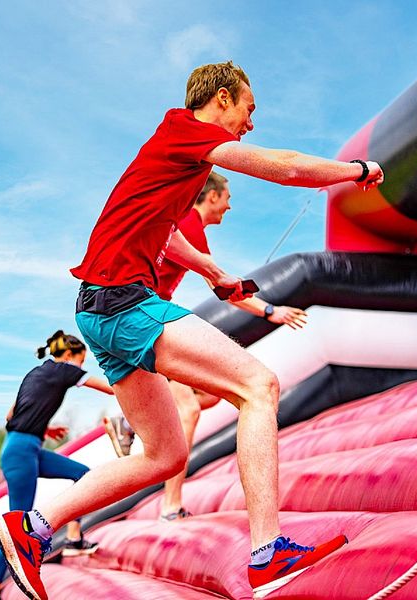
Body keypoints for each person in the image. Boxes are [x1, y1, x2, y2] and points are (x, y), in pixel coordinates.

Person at [0, 61, 384, 600]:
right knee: (259, 387)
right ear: (222, 98)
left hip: (99, 309)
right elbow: (285, 167)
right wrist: (358, 170)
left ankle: (31, 528)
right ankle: (268, 552)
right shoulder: (187, 131)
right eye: (249, 109)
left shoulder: (178, 155)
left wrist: (213, 273)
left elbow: (165, 231)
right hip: (125, 302)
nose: (250, 123)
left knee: (165, 455)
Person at [102, 171, 309, 522]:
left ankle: (127, 423)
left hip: (141, 321)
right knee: (190, 410)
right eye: (226, 196)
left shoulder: (190, 228)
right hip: (145, 321)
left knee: (210, 395)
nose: (229, 205)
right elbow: (224, 287)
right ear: (210, 196)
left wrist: (267, 310)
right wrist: (270, 310)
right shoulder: (188, 223)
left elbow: (222, 285)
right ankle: (170, 506)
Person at [0, 331, 114, 600]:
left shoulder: (34, 373)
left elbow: (11, 414)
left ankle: (74, 538)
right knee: (18, 526)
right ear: (70, 355)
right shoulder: (65, 370)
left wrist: (42, 429)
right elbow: (110, 387)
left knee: (83, 476)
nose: (81, 368)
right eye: (81, 361)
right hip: (21, 453)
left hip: (23, 446)